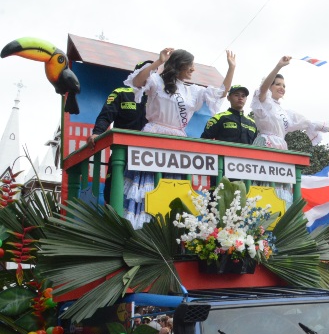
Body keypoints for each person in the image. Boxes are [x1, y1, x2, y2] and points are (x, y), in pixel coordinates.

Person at [123, 48, 236, 228]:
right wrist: (158, 62)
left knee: (173, 186)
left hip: (177, 141)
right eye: (190, 65)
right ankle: (141, 228)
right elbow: (137, 81)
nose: (193, 69)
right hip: (154, 137)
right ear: (179, 65)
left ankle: (168, 232)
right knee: (148, 184)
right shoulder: (157, 81)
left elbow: (222, 93)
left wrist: (231, 68)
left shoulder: (194, 91)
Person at [251, 56, 329, 205]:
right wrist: (278, 66)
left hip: (281, 148)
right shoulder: (263, 102)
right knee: (265, 185)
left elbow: (309, 123)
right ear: (270, 86)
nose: (282, 87)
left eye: (284, 85)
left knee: (282, 188)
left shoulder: (286, 113)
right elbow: (263, 89)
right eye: (277, 84)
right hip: (265, 144)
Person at [86, 60, 152, 204]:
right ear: (137, 74)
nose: (150, 76)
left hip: (149, 156)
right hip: (123, 154)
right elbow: (105, 116)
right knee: (113, 190)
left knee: (145, 197)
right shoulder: (121, 93)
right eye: (147, 72)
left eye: (153, 73)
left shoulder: (156, 97)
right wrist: (97, 133)